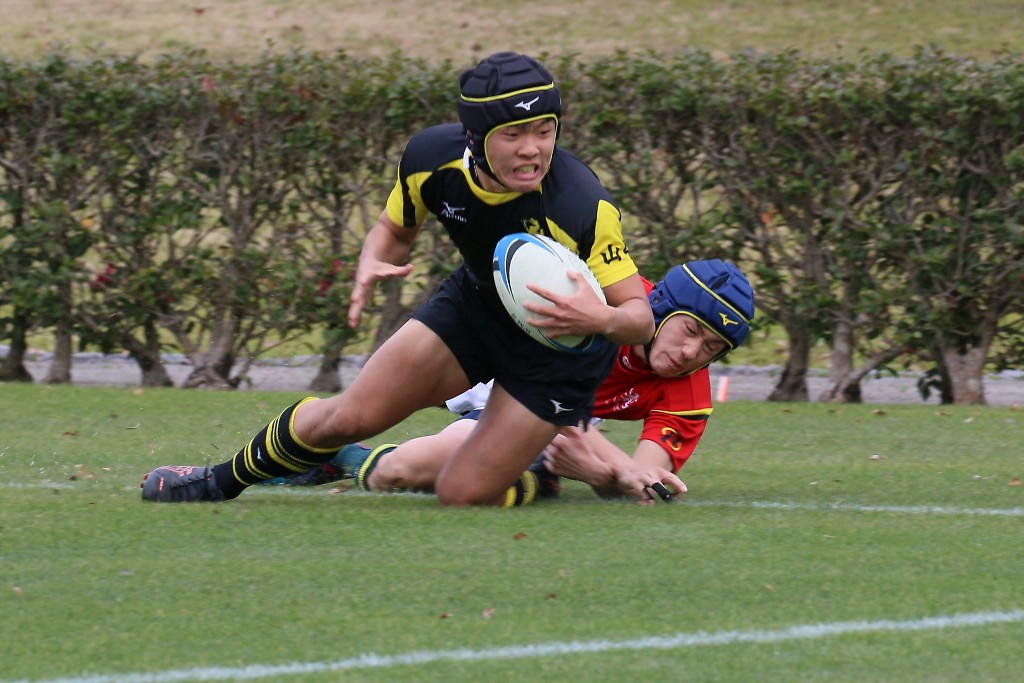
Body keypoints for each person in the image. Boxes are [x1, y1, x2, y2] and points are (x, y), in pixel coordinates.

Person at [140, 51, 655, 506]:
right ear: (476, 137)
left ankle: (537, 474)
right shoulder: (431, 161)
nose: (532, 149)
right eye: (514, 134)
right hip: (477, 307)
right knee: (348, 417)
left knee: (462, 493)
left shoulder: (580, 205)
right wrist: (373, 258)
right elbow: (392, 230)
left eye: (545, 131)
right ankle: (219, 481)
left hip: (558, 357)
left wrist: (598, 318)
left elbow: (640, 319)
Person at [270, 259, 755, 505]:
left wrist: (603, 474)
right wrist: (606, 467)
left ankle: (344, 460)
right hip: (499, 370)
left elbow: (643, 481)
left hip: (543, 411)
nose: (691, 353)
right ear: (660, 307)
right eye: (690, 330)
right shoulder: (604, 304)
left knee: (411, 472)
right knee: (363, 416)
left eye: (711, 348)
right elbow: (559, 406)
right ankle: (326, 446)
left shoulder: (690, 393)